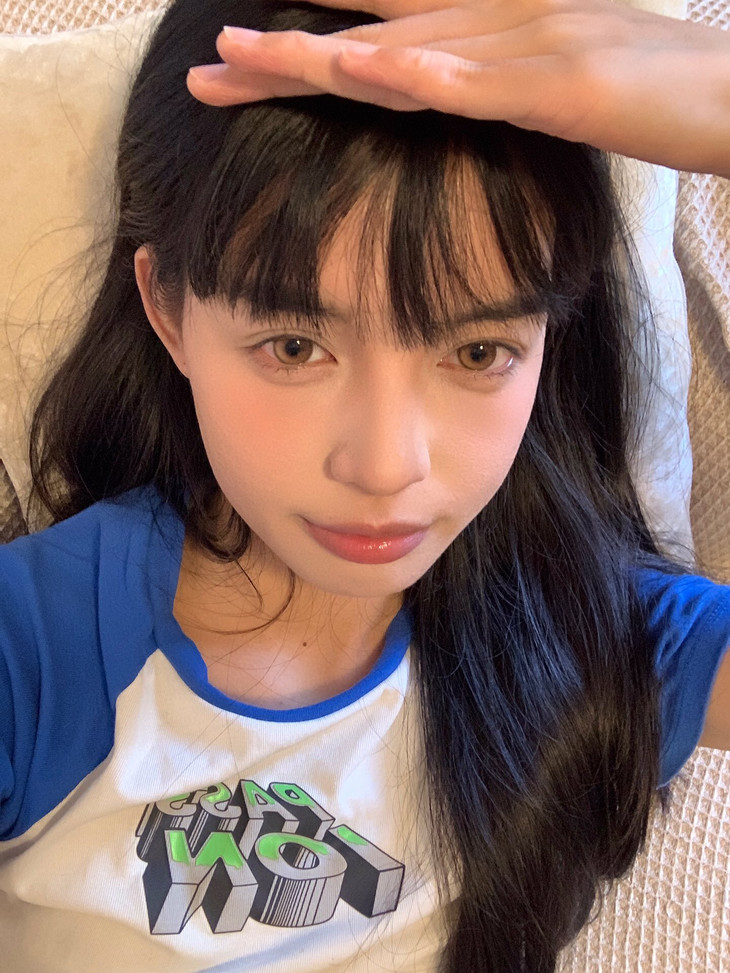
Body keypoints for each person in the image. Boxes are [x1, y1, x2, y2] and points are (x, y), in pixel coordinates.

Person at [0, 0, 728, 970]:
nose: (386, 466)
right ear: (168, 310)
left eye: (478, 350)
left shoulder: (598, 636)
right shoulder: (37, 645)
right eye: (294, 346)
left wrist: (717, 94)